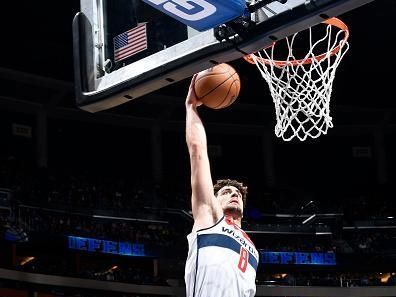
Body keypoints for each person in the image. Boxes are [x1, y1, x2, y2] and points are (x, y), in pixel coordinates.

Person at [184, 74, 259, 297]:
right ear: (214, 199)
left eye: (237, 193)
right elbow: (198, 152)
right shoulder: (210, 217)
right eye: (226, 192)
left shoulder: (253, 248)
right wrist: (190, 107)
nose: (234, 194)